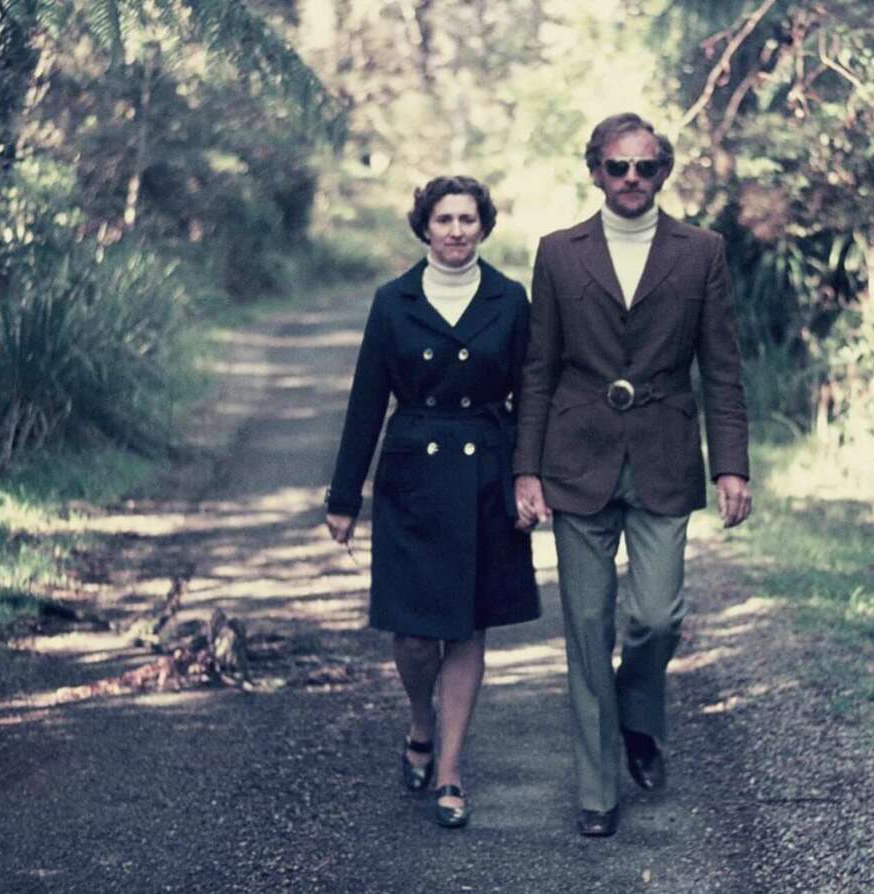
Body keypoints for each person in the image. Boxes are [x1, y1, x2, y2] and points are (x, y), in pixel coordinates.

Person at [512, 112, 752, 837]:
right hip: (575, 459)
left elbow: (722, 366)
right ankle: (596, 791)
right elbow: (538, 369)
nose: (631, 181)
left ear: (662, 173)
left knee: (654, 617)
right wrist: (527, 470)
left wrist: (732, 465)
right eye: (617, 167)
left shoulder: (700, 250)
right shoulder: (558, 253)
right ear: (595, 171)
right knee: (587, 629)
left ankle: (638, 717)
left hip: (664, 457)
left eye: (645, 168)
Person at [326, 175, 540, 829]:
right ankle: (421, 718)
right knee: (416, 633)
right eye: (444, 219)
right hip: (412, 475)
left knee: (468, 624)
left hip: (485, 470)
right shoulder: (394, 301)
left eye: (467, 219)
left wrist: (529, 478)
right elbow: (367, 401)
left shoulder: (510, 298)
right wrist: (344, 497)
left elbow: (532, 395)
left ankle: (449, 770)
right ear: (424, 228)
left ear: (484, 226)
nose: (455, 231)